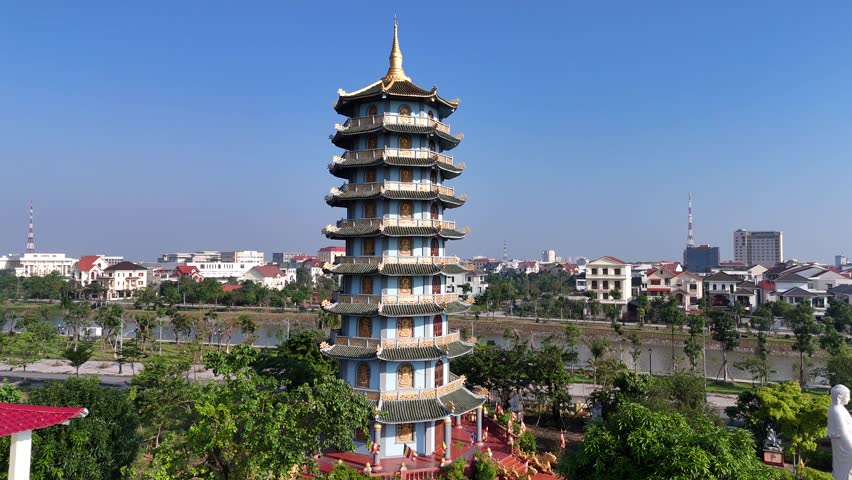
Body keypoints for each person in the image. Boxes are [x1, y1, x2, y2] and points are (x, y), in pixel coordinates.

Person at [828, 384, 852, 480]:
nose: (849, 399)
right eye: (847, 396)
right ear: (839, 397)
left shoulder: (841, 408)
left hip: (848, 438)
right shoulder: (835, 410)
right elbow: (842, 432)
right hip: (844, 443)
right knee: (844, 469)